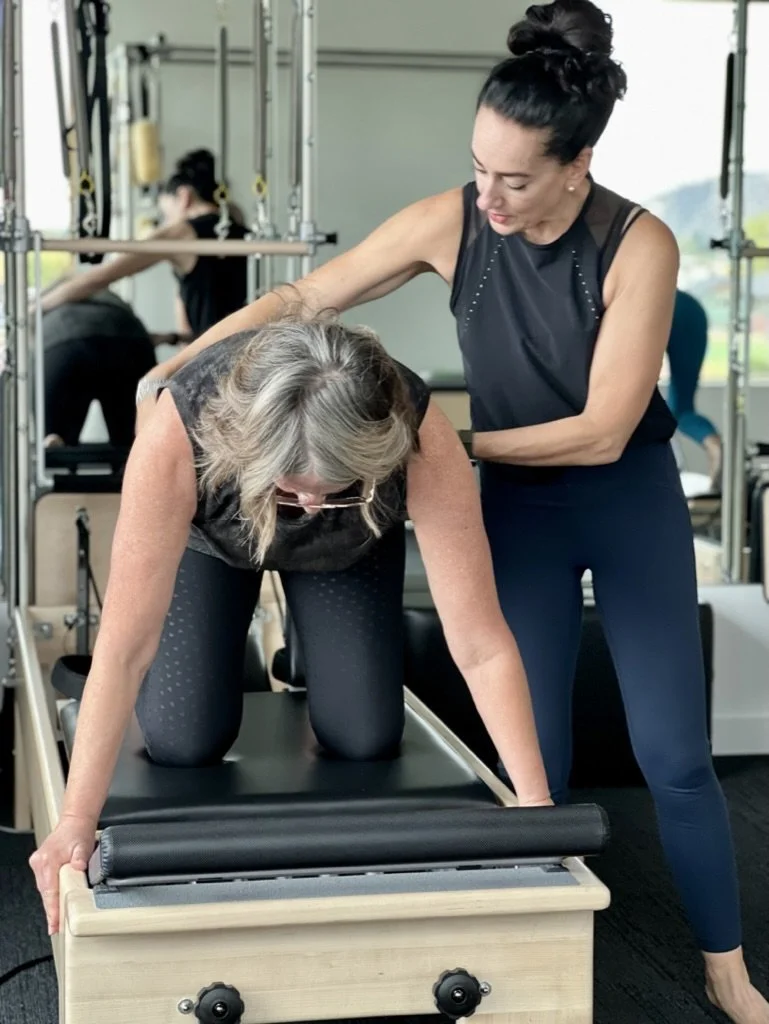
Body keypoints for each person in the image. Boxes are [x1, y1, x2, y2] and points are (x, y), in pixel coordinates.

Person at [129, 4, 769, 1021]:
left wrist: (435, 448)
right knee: (534, 753)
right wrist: (185, 366)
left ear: (577, 163)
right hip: (520, 511)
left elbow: (603, 428)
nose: (489, 193)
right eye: (479, 166)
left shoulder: (637, 244)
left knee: (675, 755)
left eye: (514, 177)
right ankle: (545, 954)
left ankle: (723, 964)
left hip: (625, 501)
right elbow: (307, 301)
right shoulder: (452, 221)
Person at [29, 312, 553, 935]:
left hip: (352, 545)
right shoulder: (181, 427)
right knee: (181, 741)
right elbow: (123, 648)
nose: (306, 507)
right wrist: (74, 822)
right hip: (213, 541)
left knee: (364, 738)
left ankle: (316, 645)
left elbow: (480, 642)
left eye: (326, 490)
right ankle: (240, 640)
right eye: (292, 490)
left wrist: (536, 808)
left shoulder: (416, 430)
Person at [39, 149, 248, 342]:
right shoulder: (241, 226)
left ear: (184, 197)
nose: (166, 222)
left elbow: (101, 276)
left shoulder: (181, 233)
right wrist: (167, 337)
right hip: (250, 361)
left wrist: (37, 308)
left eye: (166, 214)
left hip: (213, 364)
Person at [41, 285, 156, 448]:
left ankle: (56, 438)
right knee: (134, 441)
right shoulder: (111, 298)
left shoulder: (50, 299)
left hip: (63, 342)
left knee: (54, 441)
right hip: (128, 340)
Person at [667, 288, 722, 491]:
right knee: (682, 408)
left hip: (647, 303)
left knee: (632, 405)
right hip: (689, 308)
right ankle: (714, 447)